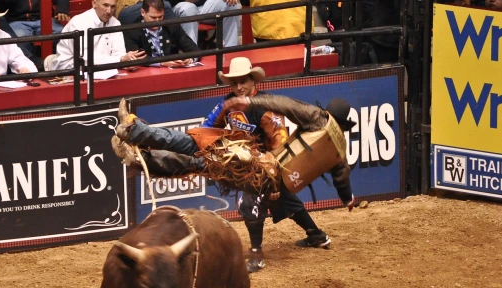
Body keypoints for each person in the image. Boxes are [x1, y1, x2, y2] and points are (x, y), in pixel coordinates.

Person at [112, 57, 355, 272]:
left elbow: (282, 126)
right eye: (235, 82)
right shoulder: (337, 147)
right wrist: (347, 198)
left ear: (253, 81)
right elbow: (341, 175)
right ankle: (317, 235)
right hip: (236, 156)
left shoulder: (289, 113)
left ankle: (258, 255)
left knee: (250, 200)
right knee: (192, 151)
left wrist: (272, 175)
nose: (239, 87)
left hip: (260, 165)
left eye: (243, 82)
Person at [50, 0, 145, 71]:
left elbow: (119, 53)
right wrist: (121, 59)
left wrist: (128, 63)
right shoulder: (78, 22)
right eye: (105, 5)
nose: (109, 11)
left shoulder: (115, 23)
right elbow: (85, 58)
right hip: (69, 71)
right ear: (94, 3)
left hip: (102, 71)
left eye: (113, 7)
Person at [122, 0, 198, 67]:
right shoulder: (131, 31)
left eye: (160, 16)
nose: (157, 21)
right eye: (153, 17)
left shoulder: (172, 26)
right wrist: (161, 63)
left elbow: (195, 49)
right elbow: (136, 57)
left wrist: (190, 59)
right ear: (143, 12)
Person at [0, 0, 70, 60]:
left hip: (43, 18)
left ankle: (59, 64)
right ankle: (29, 66)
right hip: (17, 20)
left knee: (62, 33)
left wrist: (62, 9)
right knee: (19, 37)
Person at [172, 0, 241, 48]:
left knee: (233, 4)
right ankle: (191, 55)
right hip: (181, 5)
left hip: (205, 5)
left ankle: (230, 51)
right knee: (189, 9)